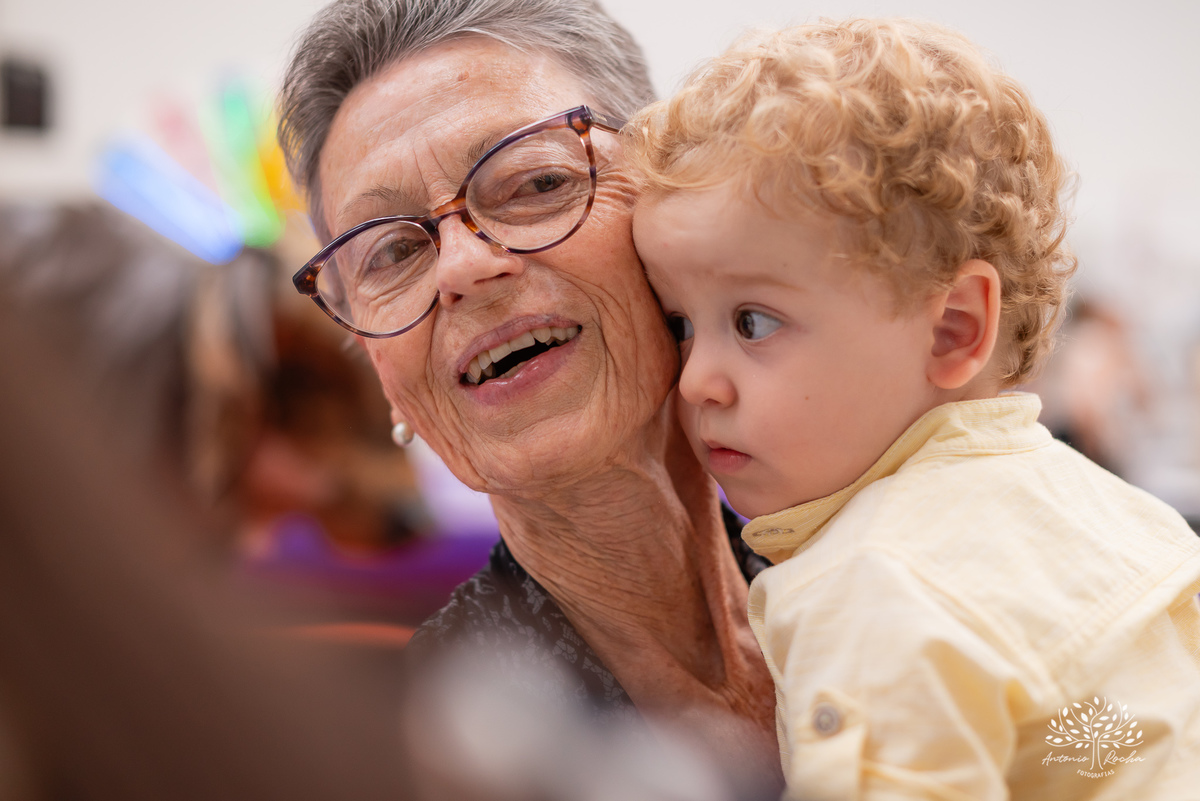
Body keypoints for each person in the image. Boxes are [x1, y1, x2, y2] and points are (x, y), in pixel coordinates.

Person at [628, 18, 1200, 799]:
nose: (695, 380)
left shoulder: (877, 588)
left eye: (753, 321)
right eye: (680, 326)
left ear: (954, 329)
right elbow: (1096, 748)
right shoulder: (1112, 514)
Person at [277, 0, 780, 788]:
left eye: (532, 181)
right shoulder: (432, 761)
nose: (462, 268)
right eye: (393, 251)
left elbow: (1056, 733)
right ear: (379, 371)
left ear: (663, 205)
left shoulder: (868, 559)